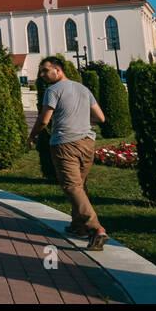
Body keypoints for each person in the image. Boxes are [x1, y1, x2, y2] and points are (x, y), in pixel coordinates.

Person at [29, 56, 110, 251]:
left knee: (72, 186)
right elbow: (100, 117)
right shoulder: (83, 89)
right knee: (79, 186)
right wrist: (80, 117)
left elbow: (44, 120)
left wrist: (31, 136)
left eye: (45, 70)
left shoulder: (53, 91)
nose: (42, 75)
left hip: (65, 143)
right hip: (87, 143)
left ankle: (95, 228)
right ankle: (78, 227)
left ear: (58, 70)